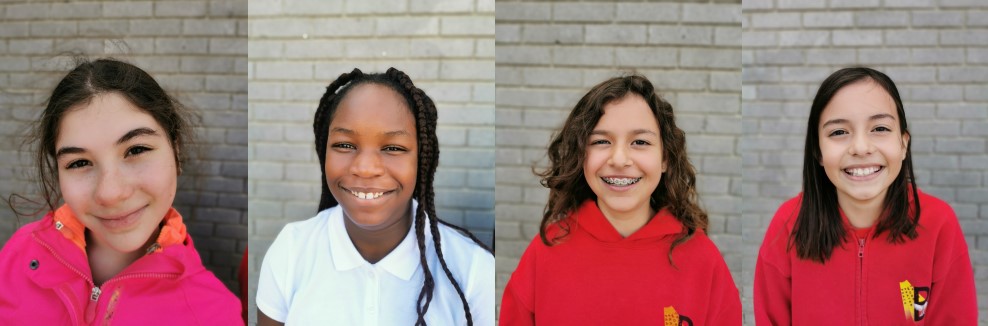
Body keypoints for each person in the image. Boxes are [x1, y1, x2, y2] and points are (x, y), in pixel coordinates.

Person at [0, 58, 241, 324]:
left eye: (136, 150)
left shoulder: (216, 314)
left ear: (177, 151)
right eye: (79, 163)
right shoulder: (18, 255)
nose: (110, 193)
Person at [256, 68, 494, 325]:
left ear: (422, 160)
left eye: (393, 148)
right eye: (345, 145)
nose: (366, 168)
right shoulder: (291, 250)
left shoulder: (473, 270)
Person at [499, 75, 742, 325]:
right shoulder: (545, 252)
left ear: (665, 158)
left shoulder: (702, 258)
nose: (619, 159)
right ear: (581, 155)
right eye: (601, 141)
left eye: (640, 142)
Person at [754, 67, 977, 324]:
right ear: (818, 152)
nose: (860, 147)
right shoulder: (789, 224)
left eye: (880, 128)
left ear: (903, 143)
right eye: (839, 132)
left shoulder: (939, 223)